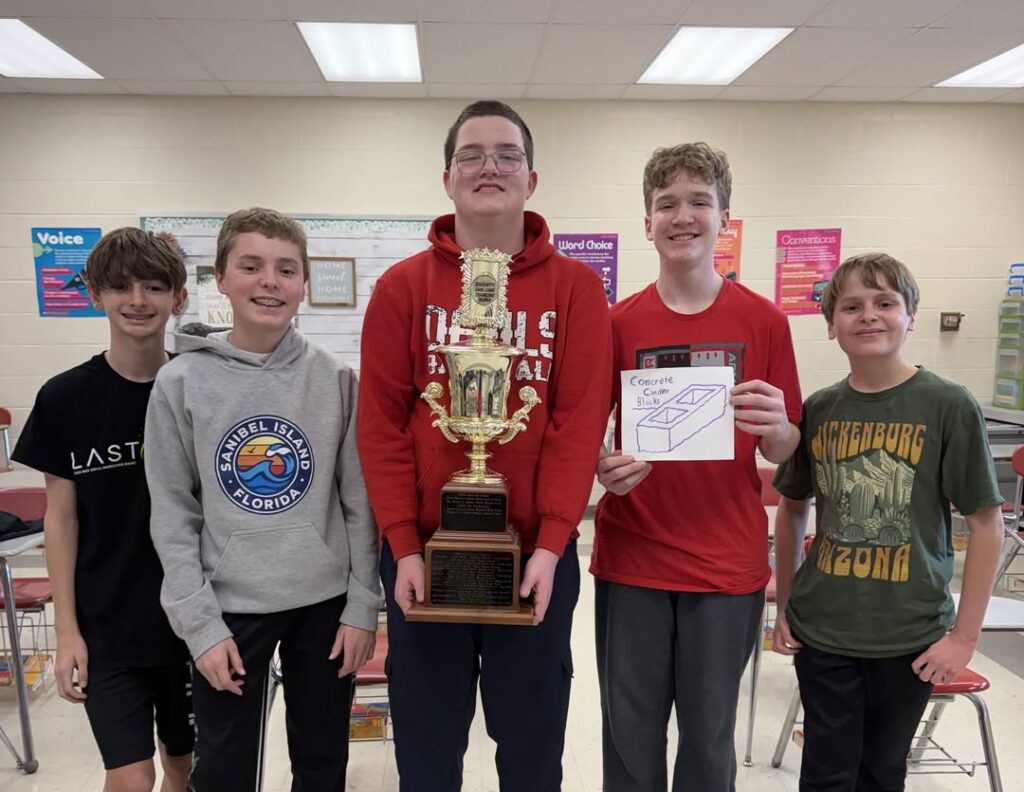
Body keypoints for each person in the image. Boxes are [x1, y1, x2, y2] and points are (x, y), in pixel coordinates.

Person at [357, 100, 612, 791]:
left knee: (531, 748)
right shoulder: (402, 287)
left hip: (535, 557)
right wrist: (403, 543)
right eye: (472, 154)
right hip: (423, 555)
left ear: (532, 178)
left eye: (507, 154)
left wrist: (556, 542)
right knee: (427, 743)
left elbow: (577, 422)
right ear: (447, 178)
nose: (489, 166)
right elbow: (379, 425)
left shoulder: (577, 289)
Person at [144, 207, 382, 792]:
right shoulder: (179, 383)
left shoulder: (335, 380)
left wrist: (361, 608)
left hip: (323, 605)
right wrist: (200, 627)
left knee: (323, 762)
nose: (269, 282)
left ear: (304, 284)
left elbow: (359, 504)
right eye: (250, 266)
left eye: (286, 269)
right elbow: (173, 517)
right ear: (220, 278)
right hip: (228, 610)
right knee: (223, 770)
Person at [591, 142, 803, 792]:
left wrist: (779, 426)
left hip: (725, 564)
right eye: (667, 204)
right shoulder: (616, 322)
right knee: (629, 736)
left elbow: (784, 449)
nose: (683, 216)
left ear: (724, 218)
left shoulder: (763, 321)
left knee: (709, 742)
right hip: (634, 559)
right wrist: (603, 464)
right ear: (647, 223)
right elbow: (584, 442)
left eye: (699, 202)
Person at [771, 252, 1005, 791]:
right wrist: (785, 605)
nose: (868, 315)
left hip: (910, 637)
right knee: (826, 773)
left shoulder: (948, 405)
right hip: (824, 629)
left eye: (884, 303)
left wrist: (963, 638)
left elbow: (987, 524)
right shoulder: (820, 408)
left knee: (882, 772)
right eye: (851, 306)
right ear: (831, 326)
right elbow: (792, 506)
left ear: (911, 315)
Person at [13, 227, 193, 791]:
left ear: (178, 298)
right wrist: (68, 632)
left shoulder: (199, 387)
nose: (137, 300)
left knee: (182, 772)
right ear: (94, 294)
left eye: (153, 286)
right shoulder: (65, 397)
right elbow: (60, 519)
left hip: (194, 623)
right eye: (120, 286)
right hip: (108, 625)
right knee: (131, 778)